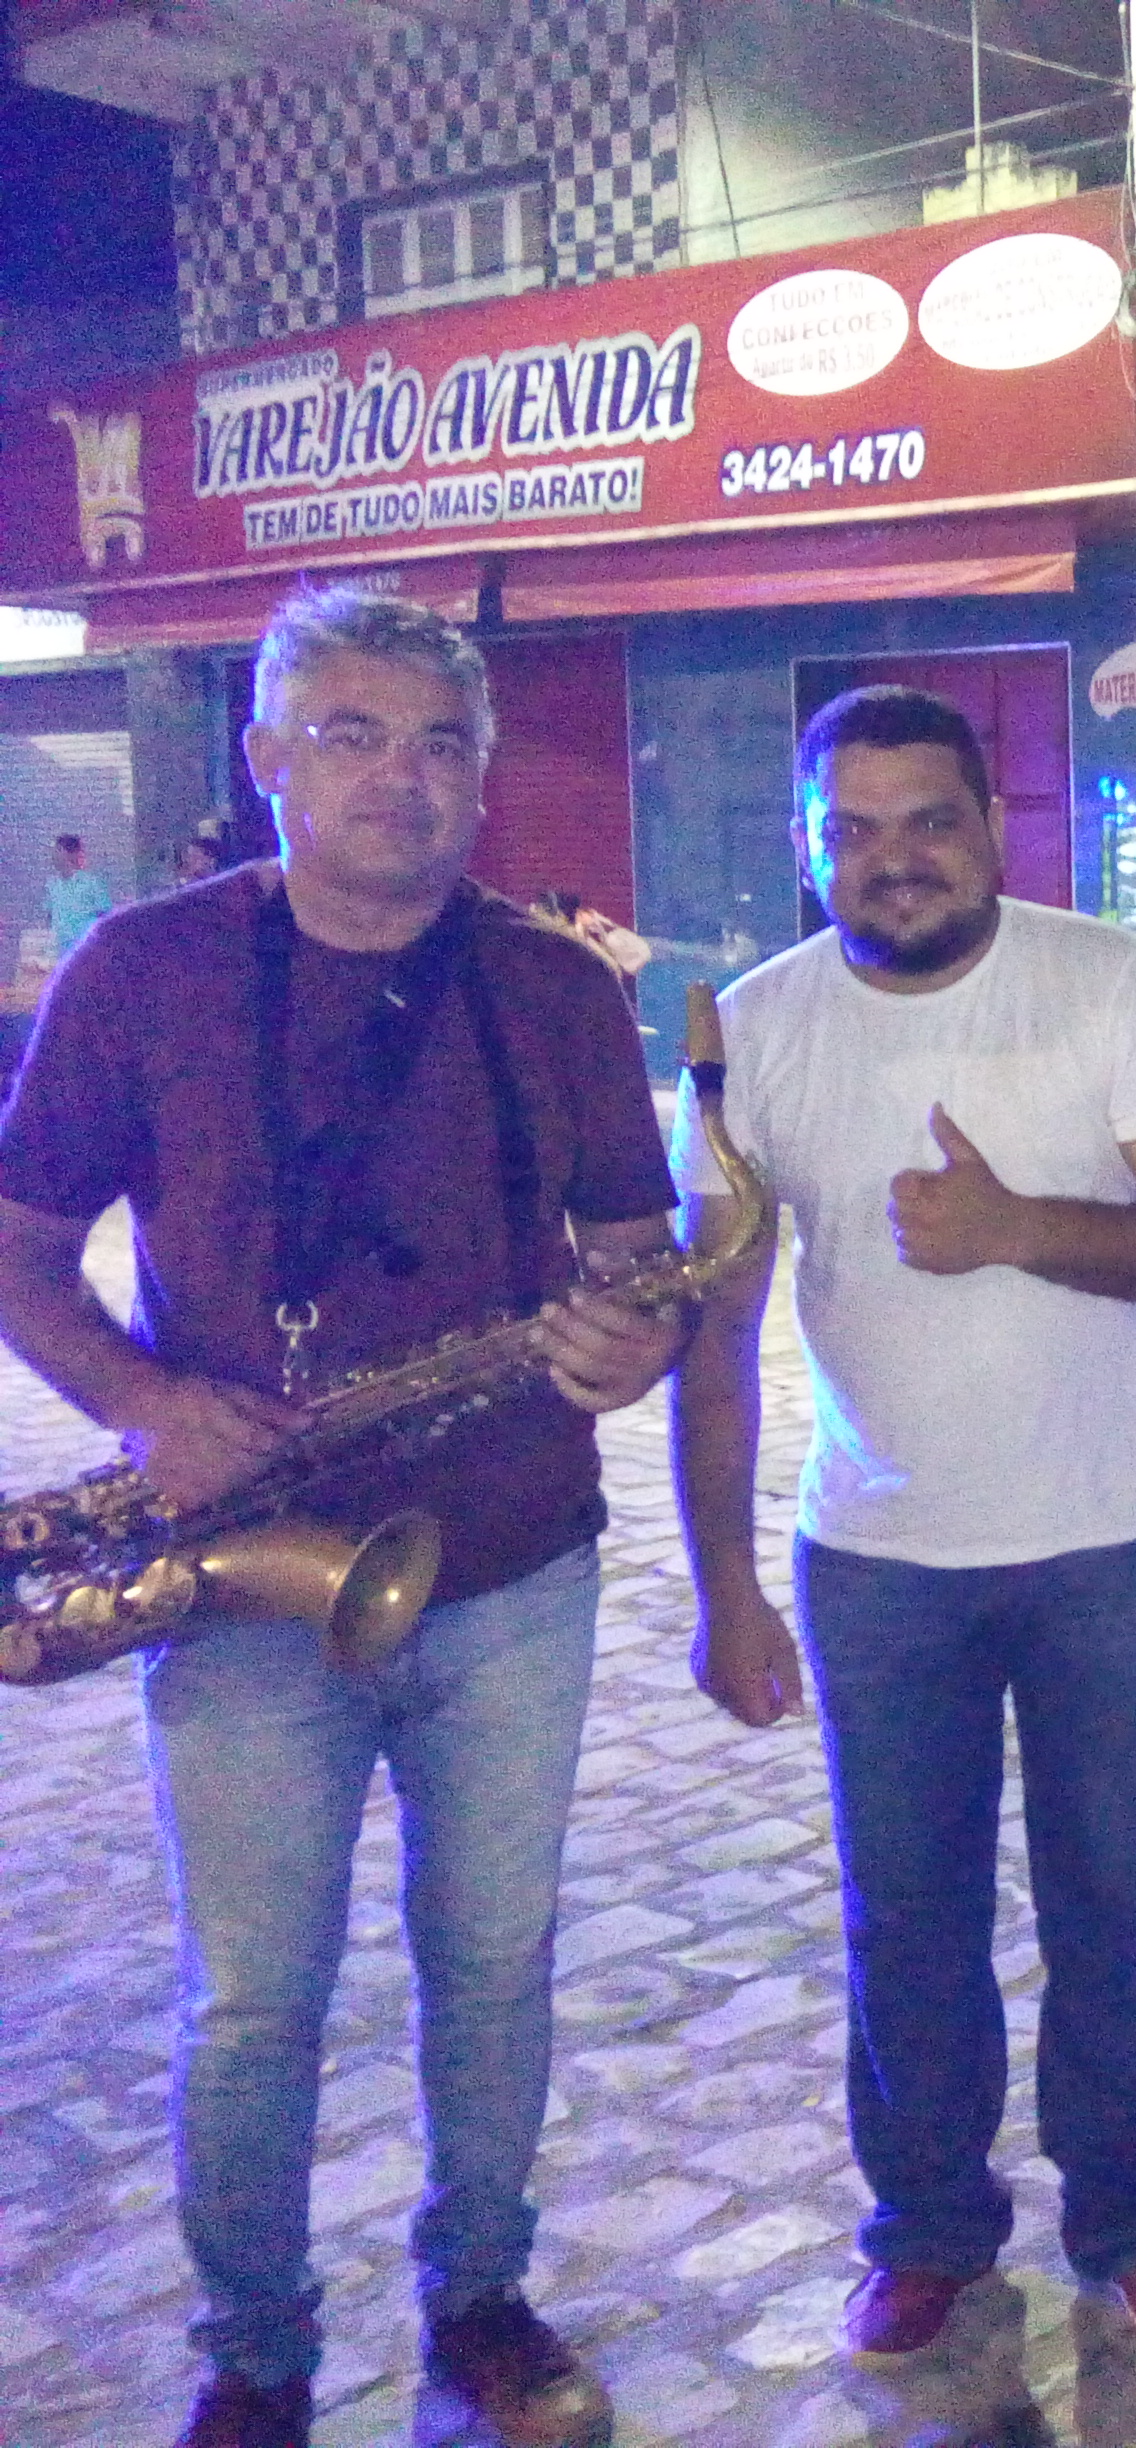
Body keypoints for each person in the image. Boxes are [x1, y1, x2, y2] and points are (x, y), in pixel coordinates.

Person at [0, 584, 685, 2448]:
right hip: (245, 1578)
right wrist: (147, 1404)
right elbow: (24, 1249)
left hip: (512, 1562)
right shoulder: (141, 970)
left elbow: (637, 1259)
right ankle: (254, 2349)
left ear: (482, 773)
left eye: (442, 741)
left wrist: (633, 1337)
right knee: (248, 2003)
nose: (403, 777)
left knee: (494, 1968)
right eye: (355, 735)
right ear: (268, 760)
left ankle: (481, 2296)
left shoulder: (553, 986)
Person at [671, 685, 1136, 2366]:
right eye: (851, 830)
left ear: (993, 824)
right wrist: (724, 1585)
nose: (895, 857)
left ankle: (1135, 2217)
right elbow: (714, 1335)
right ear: (810, 849)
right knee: (906, 1912)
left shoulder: (1107, 983)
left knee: (1121, 1896)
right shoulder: (753, 1031)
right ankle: (927, 2225)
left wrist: (1015, 1226)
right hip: (874, 1557)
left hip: (1104, 1540)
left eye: (928, 819)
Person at [45, 830, 112, 958]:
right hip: (60, 952)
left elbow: (105, 915)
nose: (53, 856)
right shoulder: (52, 885)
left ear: (69, 853)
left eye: (58, 850)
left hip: (87, 950)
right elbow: (49, 916)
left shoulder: (92, 882)